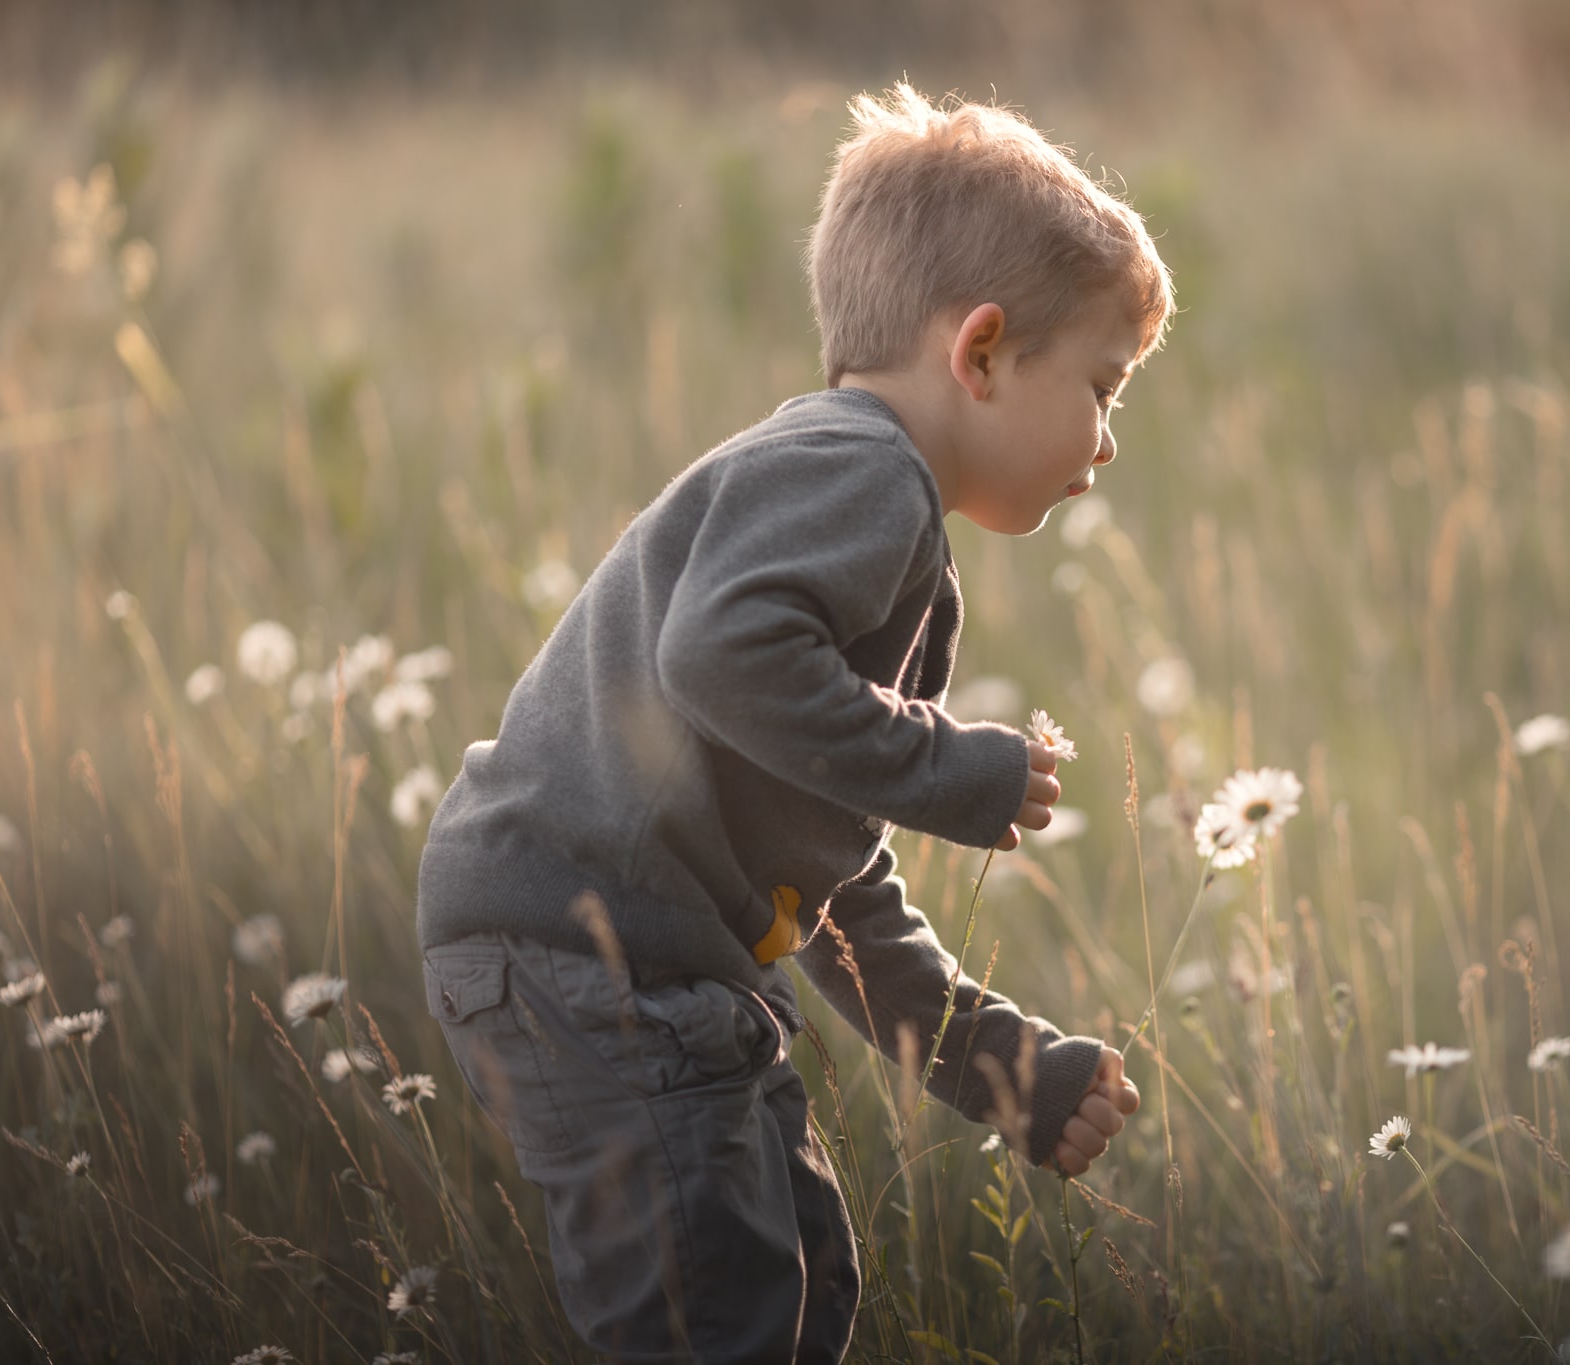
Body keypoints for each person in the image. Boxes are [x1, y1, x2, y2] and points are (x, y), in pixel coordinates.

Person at [416, 81, 1173, 1362]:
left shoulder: (856, 504)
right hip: (590, 951)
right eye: (1102, 388)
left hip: (641, 959)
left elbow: (830, 872)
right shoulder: (862, 474)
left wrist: (997, 1065)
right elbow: (716, 654)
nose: (1105, 443)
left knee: (799, 1278)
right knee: (722, 1319)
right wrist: (949, 768)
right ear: (980, 353)